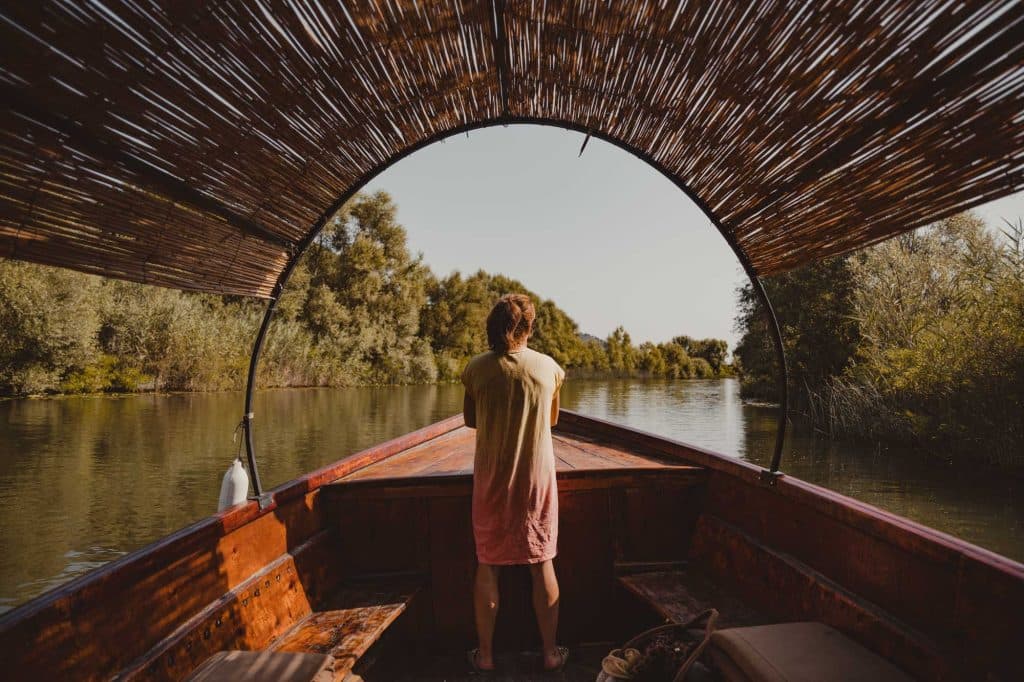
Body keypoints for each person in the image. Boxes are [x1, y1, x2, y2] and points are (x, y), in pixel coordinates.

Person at [461, 293, 568, 673]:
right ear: (529, 327)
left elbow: (471, 420)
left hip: (491, 481)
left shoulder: (474, 369)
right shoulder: (550, 369)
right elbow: (552, 421)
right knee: (542, 562)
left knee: (488, 564)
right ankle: (551, 653)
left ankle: (486, 657)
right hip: (536, 483)